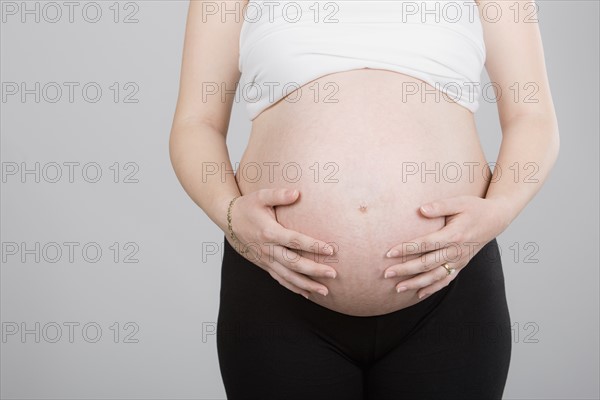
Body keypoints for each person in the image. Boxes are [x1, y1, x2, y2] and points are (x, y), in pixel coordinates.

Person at [169, 0, 559, 398]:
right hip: (275, 279)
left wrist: (501, 209)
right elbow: (195, 124)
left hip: (449, 284)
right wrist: (230, 214)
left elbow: (533, 118)